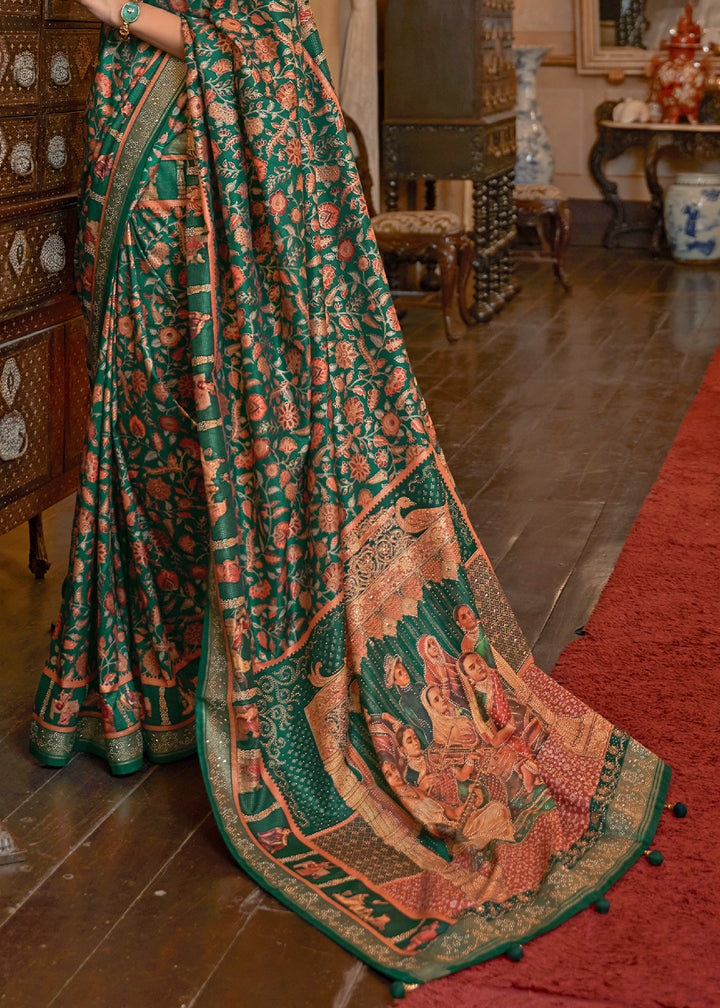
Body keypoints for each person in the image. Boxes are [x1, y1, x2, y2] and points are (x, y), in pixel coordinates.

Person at [29, 0, 671, 991]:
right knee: (151, 430)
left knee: (202, 434)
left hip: (204, 164)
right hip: (150, 161)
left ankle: (221, 700)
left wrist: (141, 17)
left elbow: (231, 23)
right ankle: (154, 698)